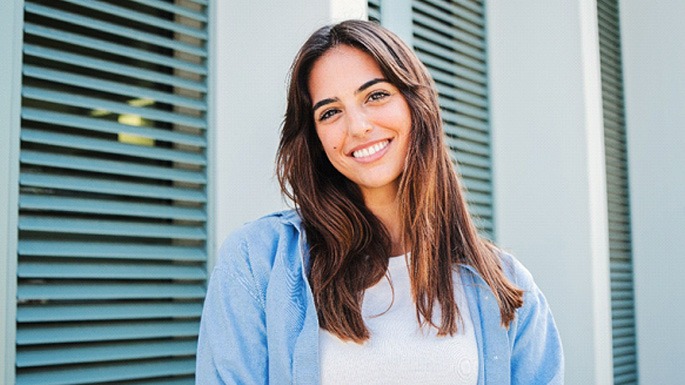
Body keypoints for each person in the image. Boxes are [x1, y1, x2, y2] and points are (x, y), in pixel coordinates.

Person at [196, 20, 563, 385]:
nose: (357, 126)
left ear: (415, 105)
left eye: (375, 95)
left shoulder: (507, 285)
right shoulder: (257, 261)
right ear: (315, 139)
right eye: (330, 112)